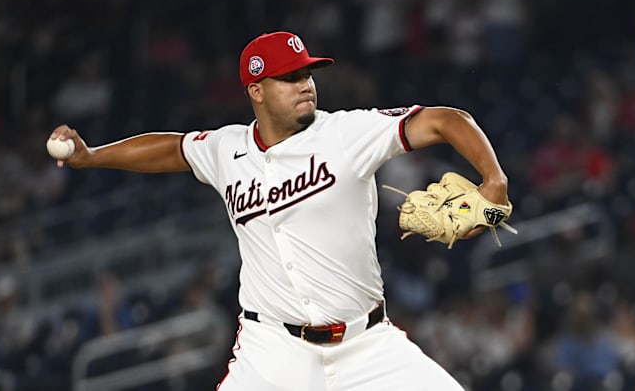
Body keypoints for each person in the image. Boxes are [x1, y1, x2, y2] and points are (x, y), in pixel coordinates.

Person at [49, 31, 511, 390]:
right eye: (289, 78)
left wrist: (494, 181)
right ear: (257, 90)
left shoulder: (348, 134)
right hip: (271, 353)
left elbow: (447, 120)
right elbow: (171, 149)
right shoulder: (226, 149)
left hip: (367, 345)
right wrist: (92, 156)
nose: (305, 86)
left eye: (307, 74)